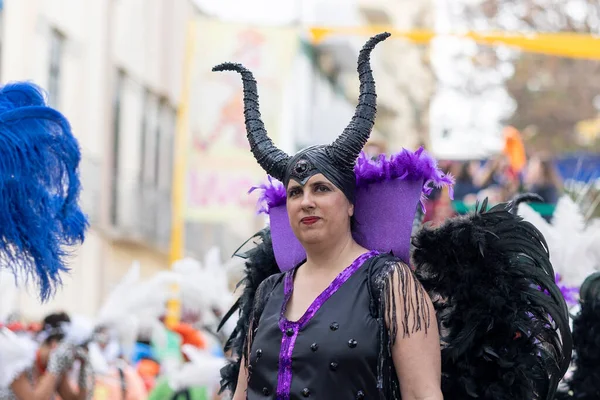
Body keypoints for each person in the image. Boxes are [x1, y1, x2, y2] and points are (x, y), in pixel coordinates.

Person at [215, 33, 572, 400]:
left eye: (321, 189)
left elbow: (422, 394)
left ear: (350, 203)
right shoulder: (267, 293)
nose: (306, 201)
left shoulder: (389, 281)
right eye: (295, 192)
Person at [0, 81, 88, 390]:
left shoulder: (11, 350)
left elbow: (76, 398)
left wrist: (78, 367)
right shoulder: (11, 353)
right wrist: (56, 366)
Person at [1, 312, 94, 400]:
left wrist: (84, 368)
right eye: (69, 349)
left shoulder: (56, 366)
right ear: (54, 344)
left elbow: (76, 399)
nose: (71, 356)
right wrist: (55, 366)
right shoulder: (21, 360)